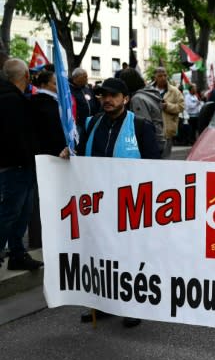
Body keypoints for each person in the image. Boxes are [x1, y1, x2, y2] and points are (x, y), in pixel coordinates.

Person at [76, 77, 161, 328]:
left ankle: (132, 304)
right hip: (98, 204)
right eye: (103, 95)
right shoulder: (91, 124)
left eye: (113, 96)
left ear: (126, 99)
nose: (107, 100)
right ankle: (102, 304)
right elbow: (81, 156)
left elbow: (155, 165)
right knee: (102, 255)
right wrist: (66, 155)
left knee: (130, 255)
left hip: (131, 205)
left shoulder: (141, 127)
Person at [0, 58, 44, 270]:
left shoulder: (12, 97)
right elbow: (19, 137)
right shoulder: (13, 101)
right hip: (16, 166)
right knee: (11, 213)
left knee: (22, 212)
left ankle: (17, 254)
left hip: (18, 165)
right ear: (26, 76)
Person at [28, 69, 68, 249]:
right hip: (50, 159)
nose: (57, 87)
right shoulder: (46, 104)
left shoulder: (41, 102)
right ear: (44, 85)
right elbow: (53, 133)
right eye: (54, 83)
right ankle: (39, 241)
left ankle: (40, 239)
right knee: (42, 202)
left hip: (46, 158)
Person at [128, 68, 166, 154]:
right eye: (160, 76)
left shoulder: (137, 99)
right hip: (159, 137)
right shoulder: (149, 92)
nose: (163, 78)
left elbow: (144, 127)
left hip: (150, 143)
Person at [152, 67, 184, 158]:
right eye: (160, 76)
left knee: (166, 158)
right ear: (155, 77)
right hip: (152, 129)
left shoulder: (174, 91)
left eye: (165, 75)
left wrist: (168, 106)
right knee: (152, 158)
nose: (163, 78)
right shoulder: (149, 90)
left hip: (167, 130)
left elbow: (181, 107)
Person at [69, 67, 100, 139]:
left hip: (90, 122)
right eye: (85, 77)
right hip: (78, 124)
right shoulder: (69, 90)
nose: (87, 78)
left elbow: (94, 101)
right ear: (76, 77)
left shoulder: (87, 88)